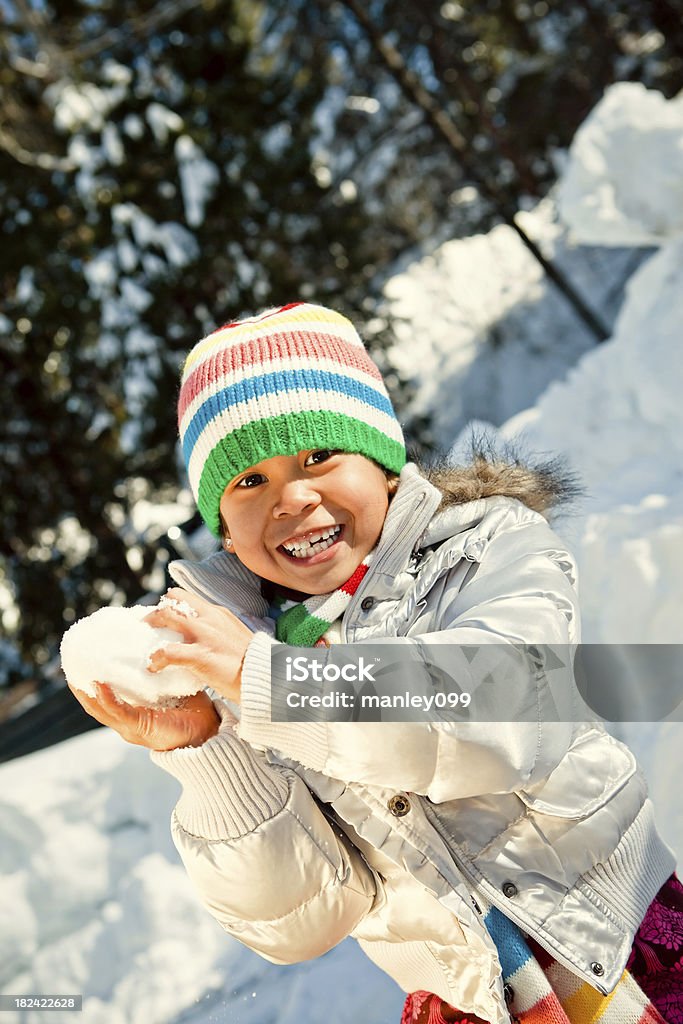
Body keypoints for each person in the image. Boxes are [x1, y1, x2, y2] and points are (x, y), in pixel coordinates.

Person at [69, 302, 682, 1024]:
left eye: (316, 457)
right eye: (248, 483)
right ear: (226, 535)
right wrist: (205, 750)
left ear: (384, 465)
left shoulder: (487, 550)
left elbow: (499, 713)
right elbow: (301, 920)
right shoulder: (248, 660)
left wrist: (275, 685)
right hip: (465, 1006)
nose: (292, 497)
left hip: (613, 946)